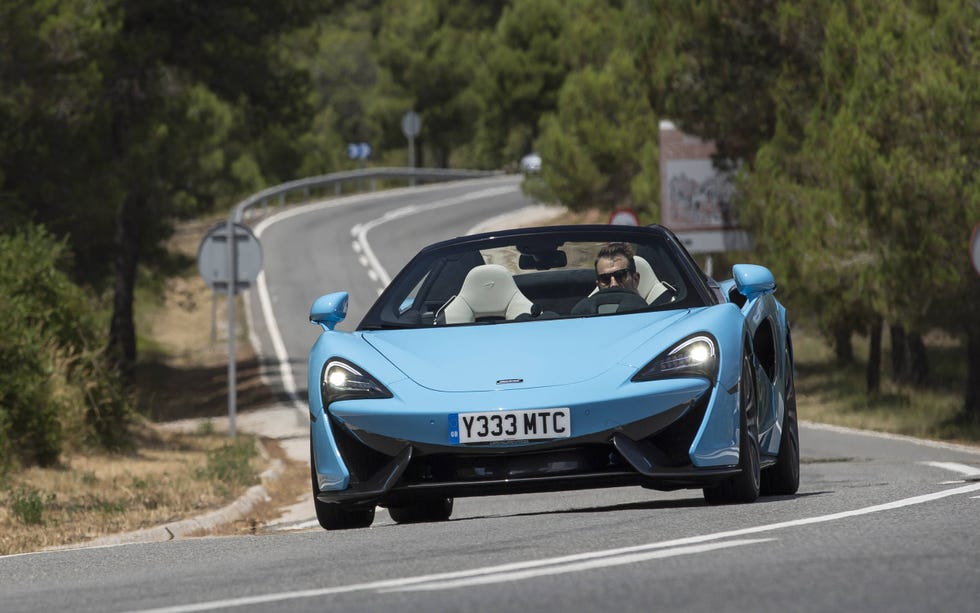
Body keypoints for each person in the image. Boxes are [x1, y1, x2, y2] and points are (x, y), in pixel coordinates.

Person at [571, 242, 649, 315]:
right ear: (598, 285)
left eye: (620, 275)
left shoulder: (651, 313)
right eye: (605, 278)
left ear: (635, 279)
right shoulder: (583, 313)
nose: (613, 284)